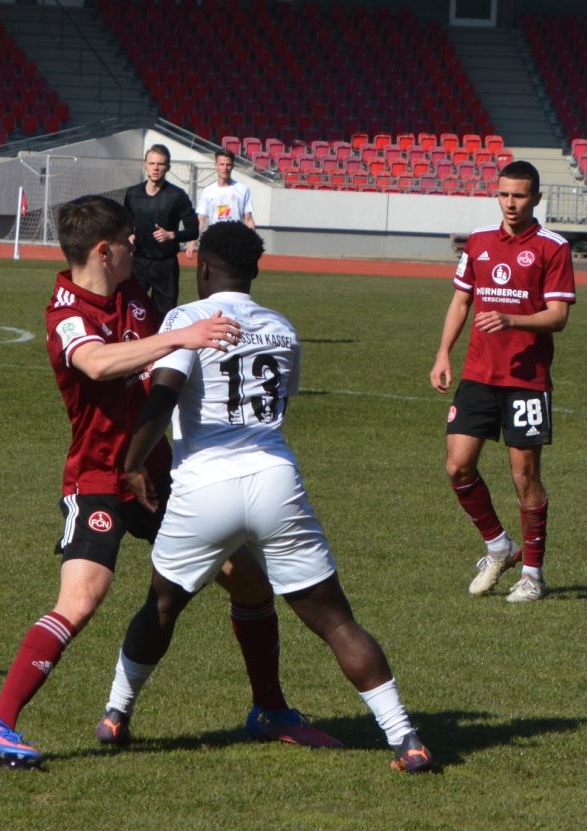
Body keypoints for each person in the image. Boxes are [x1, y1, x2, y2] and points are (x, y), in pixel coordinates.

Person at [0, 197, 338, 770]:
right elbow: (96, 363)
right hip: (98, 475)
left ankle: (270, 709)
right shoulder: (66, 313)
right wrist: (180, 338)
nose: (136, 245)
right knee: (82, 598)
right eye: (127, 239)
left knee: (250, 586)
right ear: (103, 250)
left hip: (159, 476)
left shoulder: (132, 292)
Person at [99, 221, 433, 774]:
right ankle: (406, 738)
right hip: (275, 478)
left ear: (204, 267)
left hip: (204, 482)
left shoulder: (185, 318)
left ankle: (116, 714)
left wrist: (133, 464)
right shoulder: (282, 327)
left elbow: (162, 397)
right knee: (335, 620)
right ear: (254, 269)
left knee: (163, 603)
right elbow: (277, 405)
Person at [429, 160, 575, 603]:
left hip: (527, 380)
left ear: (535, 199)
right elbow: (461, 300)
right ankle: (498, 546)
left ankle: (532, 574)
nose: (510, 203)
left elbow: (559, 316)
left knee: (524, 476)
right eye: (504, 194)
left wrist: (512, 319)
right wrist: (443, 353)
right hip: (478, 374)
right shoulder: (479, 241)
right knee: (457, 465)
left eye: (519, 195)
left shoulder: (553, 248)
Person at [123, 144, 199, 317]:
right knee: (131, 313)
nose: (155, 168)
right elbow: (124, 224)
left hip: (165, 265)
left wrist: (172, 235)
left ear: (168, 167)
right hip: (138, 263)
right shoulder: (132, 194)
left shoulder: (177, 196)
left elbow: (193, 230)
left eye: (161, 164)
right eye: (152, 163)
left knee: (164, 317)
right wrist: (129, 234)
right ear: (145, 165)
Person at [187, 148, 255, 259]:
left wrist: (252, 241)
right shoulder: (208, 191)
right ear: (216, 166)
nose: (225, 168)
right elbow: (201, 219)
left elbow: (248, 219)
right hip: (215, 241)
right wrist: (192, 243)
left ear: (233, 166)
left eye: (228, 164)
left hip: (236, 241)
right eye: (222, 164)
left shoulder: (243, 190)